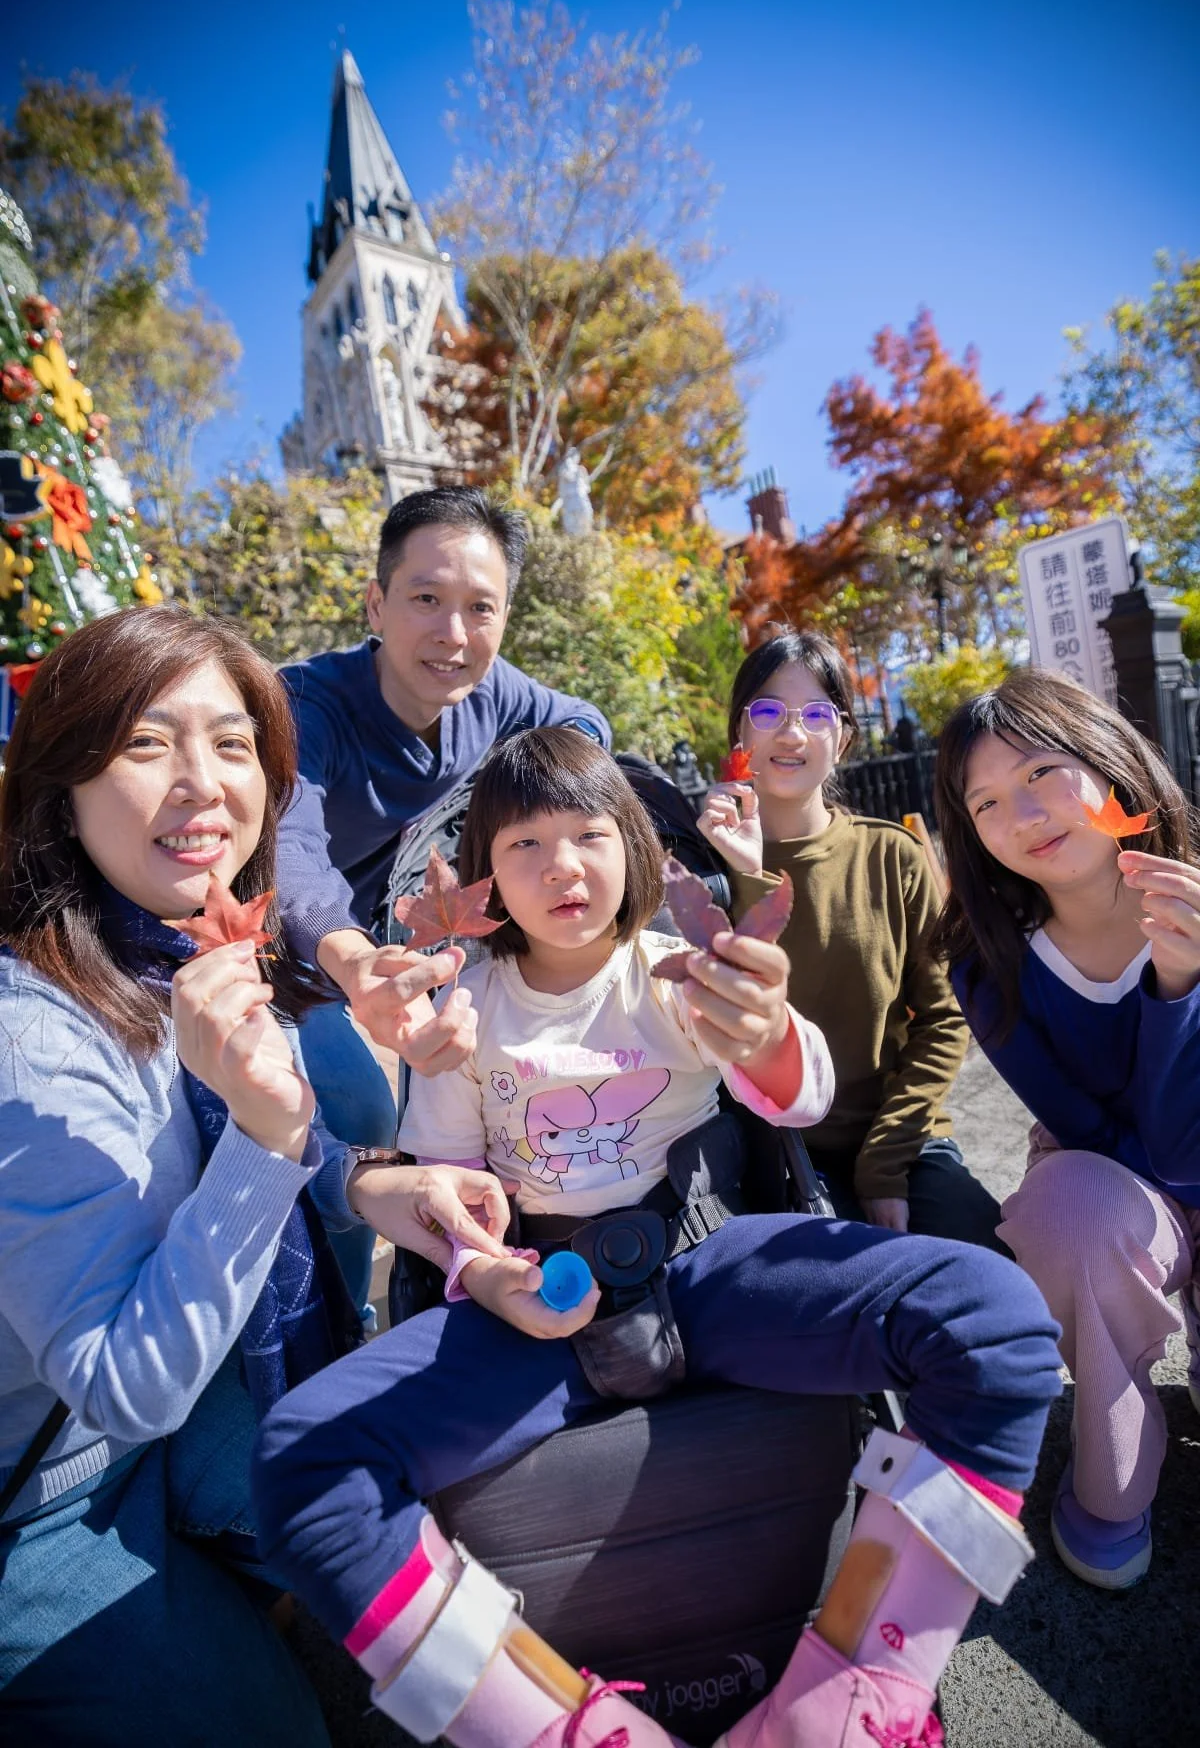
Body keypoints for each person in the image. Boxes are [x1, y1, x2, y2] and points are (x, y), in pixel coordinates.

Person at [253, 726, 1062, 1748]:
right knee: (300, 1465)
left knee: (995, 1318)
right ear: (488, 876)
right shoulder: (469, 1005)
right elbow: (445, 1192)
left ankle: (857, 1694)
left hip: (700, 1262)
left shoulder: (677, 970)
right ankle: (567, 1732)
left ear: (635, 846)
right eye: (525, 847)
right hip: (533, 1296)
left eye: (588, 834)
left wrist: (766, 1032)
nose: (562, 867)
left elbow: (799, 1093)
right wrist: (481, 1265)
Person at [0, 608, 510, 1747]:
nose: (202, 785)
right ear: (60, 785)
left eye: (233, 746)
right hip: (45, 1489)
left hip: (176, 1408)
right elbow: (123, 1386)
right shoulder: (28, 1043)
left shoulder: (168, 944)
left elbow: (219, 1145)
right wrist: (270, 1140)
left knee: (419, 1510)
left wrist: (373, 1184)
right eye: (145, 744)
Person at [276, 485, 611, 1305]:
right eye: (426, 599)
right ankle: (342, 1316)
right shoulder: (303, 705)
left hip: (428, 949)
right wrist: (352, 962)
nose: (454, 635)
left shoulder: (497, 697)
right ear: (377, 602)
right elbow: (289, 849)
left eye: (480, 608)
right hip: (291, 952)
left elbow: (586, 726)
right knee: (354, 1104)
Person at [931, 667, 1200, 1592]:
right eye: (988, 802)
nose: (1025, 812)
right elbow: (1105, 1136)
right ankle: (1112, 1475)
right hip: (1113, 1179)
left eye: (1043, 771)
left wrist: (1182, 984)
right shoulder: (992, 964)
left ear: (1107, 759)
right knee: (1069, 1212)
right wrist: (1172, 998)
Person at [697, 630, 1000, 1247]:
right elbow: (735, 1021)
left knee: (990, 1272)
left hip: (899, 1138)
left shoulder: (893, 854)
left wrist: (885, 1163)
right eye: (768, 712)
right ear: (740, 736)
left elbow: (945, 1018)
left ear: (844, 737)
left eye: (816, 714)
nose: (792, 733)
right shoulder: (697, 872)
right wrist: (747, 878)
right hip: (768, 1152)